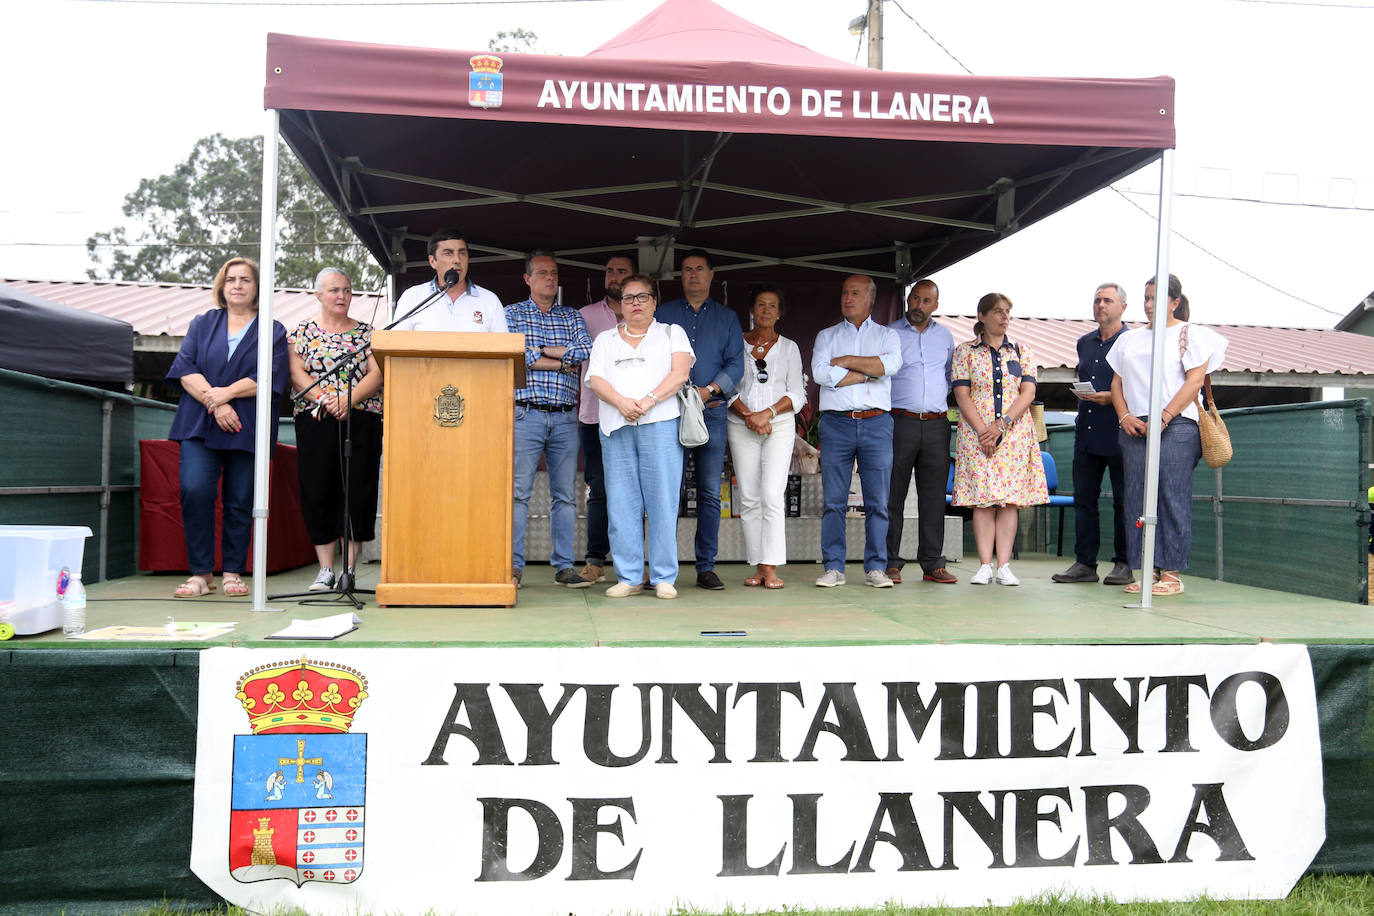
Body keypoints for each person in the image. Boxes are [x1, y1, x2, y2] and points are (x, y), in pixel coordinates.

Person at [166, 257, 288, 598]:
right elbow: (185, 369)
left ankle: (233, 571)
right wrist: (215, 402)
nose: (237, 284)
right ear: (222, 286)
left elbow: (271, 377)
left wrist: (226, 394)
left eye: (245, 279)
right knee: (194, 491)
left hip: (246, 425)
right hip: (199, 423)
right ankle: (201, 575)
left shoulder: (272, 329)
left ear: (256, 288)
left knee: (240, 499)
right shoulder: (202, 323)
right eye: (231, 279)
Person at [1108, 275, 1228, 597]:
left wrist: (1164, 416)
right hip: (1134, 423)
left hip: (1177, 422)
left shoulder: (1193, 334)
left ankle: (1172, 573)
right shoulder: (1127, 340)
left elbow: (1194, 381)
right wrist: (1124, 416)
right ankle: (1147, 569)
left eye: (1157, 299)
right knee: (1135, 496)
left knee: (1170, 495)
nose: (1149, 305)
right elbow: (1116, 384)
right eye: (1146, 298)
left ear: (1175, 302)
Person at [584, 275, 694, 599]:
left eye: (642, 297)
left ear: (654, 302)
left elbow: (680, 373)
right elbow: (596, 379)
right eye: (628, 297)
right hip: (616, 426)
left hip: (660, 422)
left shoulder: (672, 333)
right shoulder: (605, 339)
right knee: (621, 503)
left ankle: (662, 577)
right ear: (620, 304)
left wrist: (648, 401)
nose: (635, 303)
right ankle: (629, 576)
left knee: (662, 502)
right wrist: (621, 403)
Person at [287, 267, 384, 592]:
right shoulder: (301, 332)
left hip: (361, 419)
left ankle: (349, 570)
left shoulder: (367, 333)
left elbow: (377, 372)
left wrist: (349, 398)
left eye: (346, 289)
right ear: (318, 295)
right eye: (334, 290)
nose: (341, 296)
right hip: (316, 419)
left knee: (358, 490)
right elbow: (295, 372)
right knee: (319, 489)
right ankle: (325, 569)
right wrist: (327, 400)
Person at [656, 249, 745, 590]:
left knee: (709, 493)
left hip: (712, 413)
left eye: (699, 269)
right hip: (669, 413)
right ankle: (664, 569)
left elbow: (736, 364)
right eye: (687, 270)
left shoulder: (727, 317)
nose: (692, 274)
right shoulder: (663, 315)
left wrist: (709, 390)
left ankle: (706, 567)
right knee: (667, 492)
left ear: (711, 276)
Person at [505, 250, 593, 589]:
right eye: (542, 273)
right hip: (524, 412)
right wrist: (561, 359)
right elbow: (516, 353)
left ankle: (564, 567)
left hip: (565, 417)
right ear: (527, 279)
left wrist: (538, 351)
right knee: (517, 494)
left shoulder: (572, 315)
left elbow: (584, 351)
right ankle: (512, 567)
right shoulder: (510, 313)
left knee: (566, 496)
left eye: (554, 273)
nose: (550, 278)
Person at [811, 275, 902, 588]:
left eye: (855, 293)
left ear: (870, 299)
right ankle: (834, 567)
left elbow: (890, 367)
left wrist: (847, 362)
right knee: (834, 501)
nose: (847, 298)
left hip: (877, 422)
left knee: (878, 502)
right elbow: (821, 373)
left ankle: (876, 568)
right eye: (844, 292)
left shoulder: (888, 336)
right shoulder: (826, 336)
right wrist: (868, 373)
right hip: (837, 423)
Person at [951, 293, 1048, 586]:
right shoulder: (965, 351)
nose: (1004, 316)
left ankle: (1004, 564)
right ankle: (984, 564)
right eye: (997, 311)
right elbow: (961, 394)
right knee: (983, 499)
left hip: (1014, 434)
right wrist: (984, 430)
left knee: (1009, 502)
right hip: (976, 433)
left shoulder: (1022, 351)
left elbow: (1028, 393)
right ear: (982, 316)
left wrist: (1002, 424)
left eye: (1007, 312)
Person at [1053, 283, 1134, 587]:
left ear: (1123, 307)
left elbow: (1140, 386)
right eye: (1097, 300)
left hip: (1121, 431)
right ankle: (1085, 563)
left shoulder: (1134, 341)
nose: (1101, 305)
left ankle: (1124, 563)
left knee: (1124, 502)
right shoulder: (1084, 343)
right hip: (1086, 432)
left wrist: (1111, 398)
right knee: (1084, 499)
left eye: (1108, 300)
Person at [726, 285, 806, 589]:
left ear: (780, 311)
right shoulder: (736, 344)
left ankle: (771, 567)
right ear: (751, 309)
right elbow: (727, 385)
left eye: (772, 305)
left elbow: (797, 393)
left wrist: (767, 414)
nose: (766, 310)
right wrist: (749, 415)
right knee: (748, 497)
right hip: (741, 423)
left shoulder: (789, 347)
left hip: (779, 425)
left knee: (772, 495)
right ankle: (758, 566)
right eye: (761, 304)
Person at [885, 278, 958, 585]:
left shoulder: (945, 336)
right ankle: (890, 562)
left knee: (932, 496)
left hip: (937, 423)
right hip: (898, 421)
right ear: (907, 301)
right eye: (915, 299)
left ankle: (933, 563)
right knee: (892, 496)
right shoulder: (889, 333)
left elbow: (950, 377)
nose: (919, 305)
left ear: (936, 306)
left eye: (926, 301)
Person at [576, 252, 635, 587]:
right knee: (597, 490)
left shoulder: (643, 320)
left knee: (632, 492)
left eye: (622, 271)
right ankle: (595, 561)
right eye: (610, 271)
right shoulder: (584, 316)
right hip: (594, 417)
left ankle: (632, 563)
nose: (614, 276)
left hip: (633, 418)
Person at [392, 227, 508, 333]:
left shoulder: (490, 300)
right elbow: (395, 346)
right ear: (433, 261)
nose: (457, 260)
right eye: (448, 253)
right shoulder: (413, 297)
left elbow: (505, 350)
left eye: (462, 253)